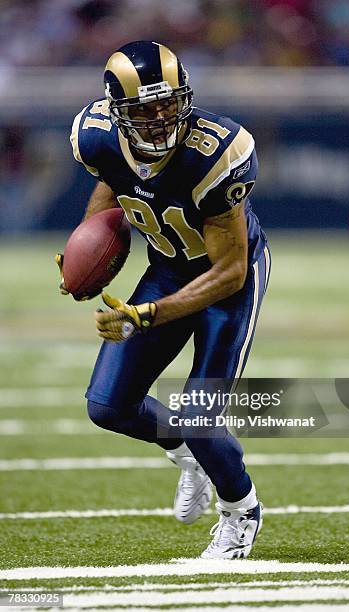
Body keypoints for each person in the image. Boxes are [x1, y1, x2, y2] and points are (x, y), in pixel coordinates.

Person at [58, 40, 271, 559]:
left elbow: (229, 271)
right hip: (167, 266)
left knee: (200, 412)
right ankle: (185, 454)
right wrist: (88, 244)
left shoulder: (219, 152)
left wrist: (150, 313)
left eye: (167, 103)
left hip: (227, 279)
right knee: (108, 406)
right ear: (116, 111)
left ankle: (241, 509)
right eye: (143, 109)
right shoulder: (95, 136)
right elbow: (111, 186)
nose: (158, 118)